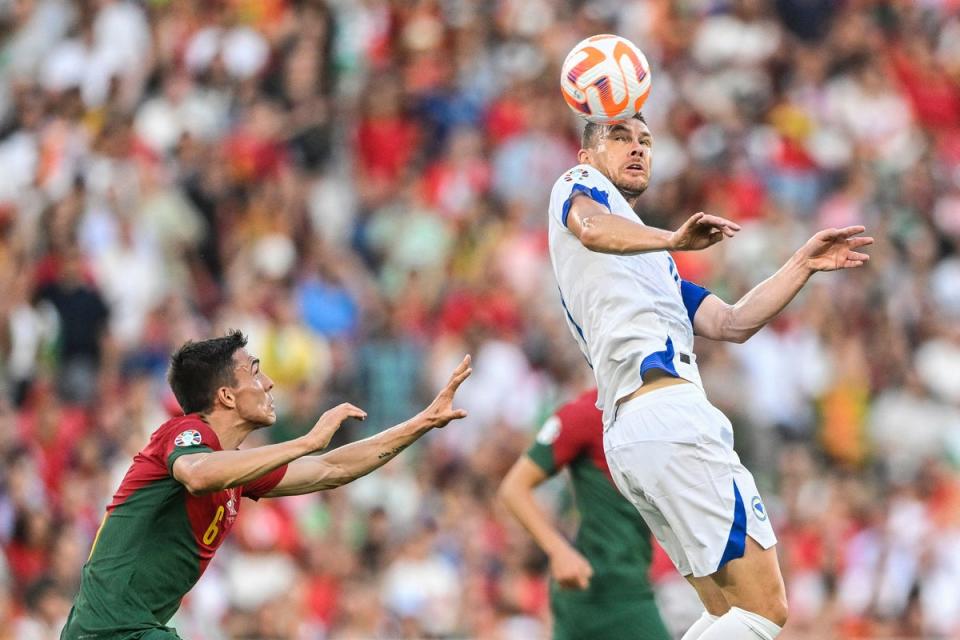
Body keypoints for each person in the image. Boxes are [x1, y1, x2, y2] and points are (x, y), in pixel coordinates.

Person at [547, 113, 872, 640]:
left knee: (727, 612)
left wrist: (801, 265)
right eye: (620, 137)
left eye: (646, 140)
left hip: (639, 432)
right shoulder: (578, 188)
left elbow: (731, 321)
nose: (637, 148)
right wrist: (672, 237)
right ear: (587, 156)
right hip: (668, 419)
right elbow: (591, 227)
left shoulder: (655, 264)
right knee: (765, 610)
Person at [60, 330, 471, 640]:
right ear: (225, 395)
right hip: (109, 630)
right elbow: (198, 474)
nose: (269, 383)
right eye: (254, 372)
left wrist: (421, 423)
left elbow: (331, 469)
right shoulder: (182, 432)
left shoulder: (237, 468)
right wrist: (305, 441)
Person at [498, 388, 671, 640]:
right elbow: (514, 488)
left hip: (632, 581)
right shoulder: (585, 414)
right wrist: (559, 551)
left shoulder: (661, 415)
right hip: (597, 589)